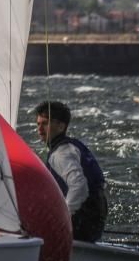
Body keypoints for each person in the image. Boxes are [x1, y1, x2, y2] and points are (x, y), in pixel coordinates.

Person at [34, 100, 108, 243]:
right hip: (93, 219)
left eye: (45, 123)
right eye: (38, 124)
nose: (40, 129)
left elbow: (79, 187)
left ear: (61, 126)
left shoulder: (62, 153)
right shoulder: (71, 146)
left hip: (83, 223)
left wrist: (63, 219)